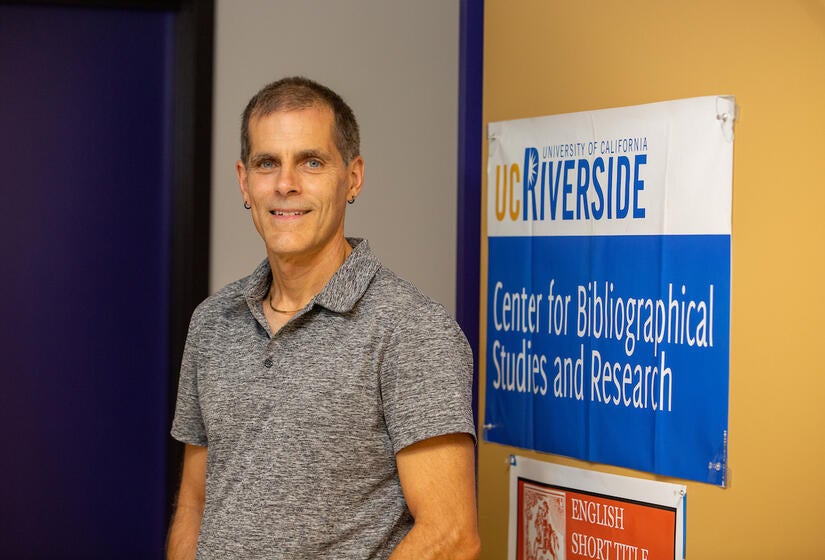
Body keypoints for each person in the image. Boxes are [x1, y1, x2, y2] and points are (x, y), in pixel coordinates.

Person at [166, 76, 480, 559]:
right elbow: (195, 503)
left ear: (353, 177)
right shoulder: (212, 324)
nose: (285, 184)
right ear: (243, 182)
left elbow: (451, 534)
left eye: (311, 162)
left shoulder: (412, 330)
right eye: (267, 163)